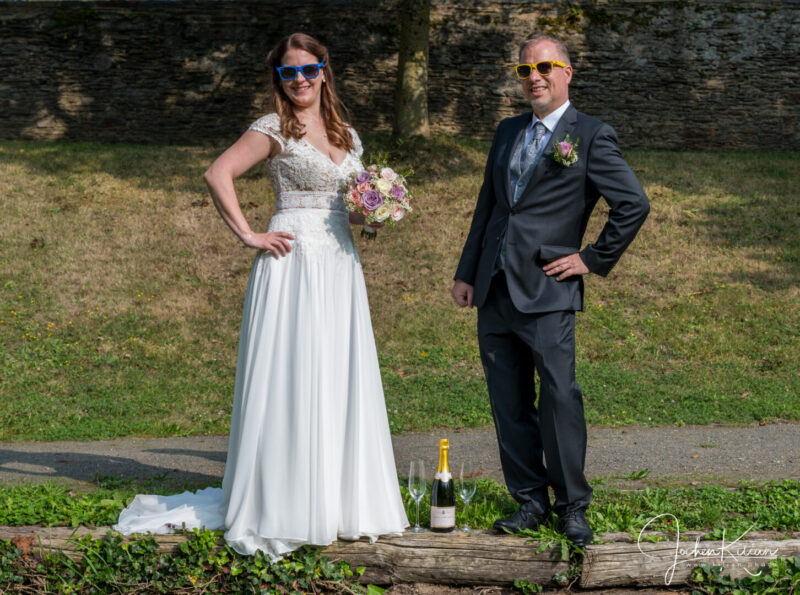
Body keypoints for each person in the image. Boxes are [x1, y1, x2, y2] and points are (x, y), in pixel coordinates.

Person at [115, 33, 408, 560]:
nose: (300, 80)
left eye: (308, 69)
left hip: (339, 264)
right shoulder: (273, 127)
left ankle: (339, 501)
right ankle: (288, 502)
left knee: (336, 371)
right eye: (288, 72)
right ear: (278, 78)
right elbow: (218, 173)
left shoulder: (347, 134)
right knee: (295, 372)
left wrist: (375, 212)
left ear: (324, 70)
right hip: (293, 263)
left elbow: (349, 208)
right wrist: (249, 234)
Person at [451, 34, 649, 546]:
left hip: (548, 288)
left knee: (560, 398)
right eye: (525, 70)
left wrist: (591, 258)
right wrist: (467, 271)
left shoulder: (592, 135)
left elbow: (633, 204)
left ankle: (572, 506)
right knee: (508, 402)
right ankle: (529, 502)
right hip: (495, 288)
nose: (533, 77)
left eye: (544, 67)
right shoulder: (507, 131)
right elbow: (490, 206)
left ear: (566, 72)